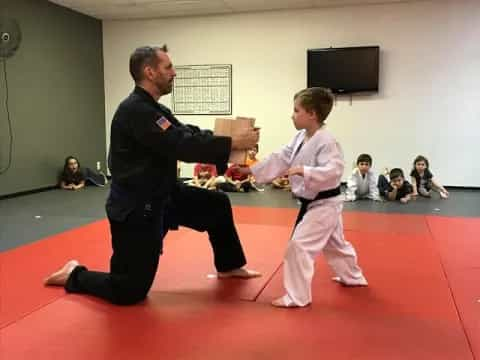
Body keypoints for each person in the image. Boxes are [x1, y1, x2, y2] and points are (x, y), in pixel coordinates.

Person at [44, 45, 260, 305]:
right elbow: (180, 144)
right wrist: (231, 143)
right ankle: (74, 274)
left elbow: (185, 132)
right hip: (136, 208)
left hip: (163, 194)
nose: (174, 73)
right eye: (168, 67)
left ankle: (229, 266)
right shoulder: (136, 111)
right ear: (149, 71)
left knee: (217, 205)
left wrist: (231, 142)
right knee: (129, 289)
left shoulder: (154, 109)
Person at [241, 87, 368, 308]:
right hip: (319, 203)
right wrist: (252, 171)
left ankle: (297, 296)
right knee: (336, 244)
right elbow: (281, 157)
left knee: (298, 246)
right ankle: (353, 277)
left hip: (324, 203)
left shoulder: (328, 141)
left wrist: (305, 171)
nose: (292, 115)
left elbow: (334, 171)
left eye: (296, 110)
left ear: (312, 114)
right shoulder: (301, 136)